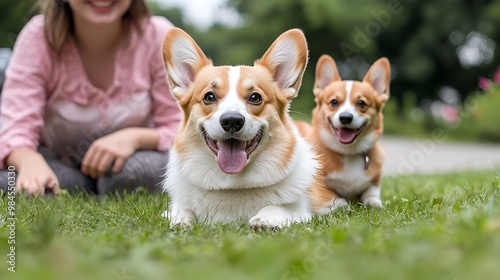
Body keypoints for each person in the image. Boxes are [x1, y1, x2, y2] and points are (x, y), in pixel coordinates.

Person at [0, 0, 181, 195]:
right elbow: (16, 128)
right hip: (60, 164)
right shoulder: (39, 36)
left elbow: (182, 126)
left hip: (130, 164)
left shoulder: (156, 36)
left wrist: (135, 138)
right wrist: (29, 161)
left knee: (136, 172)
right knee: (10, 181)